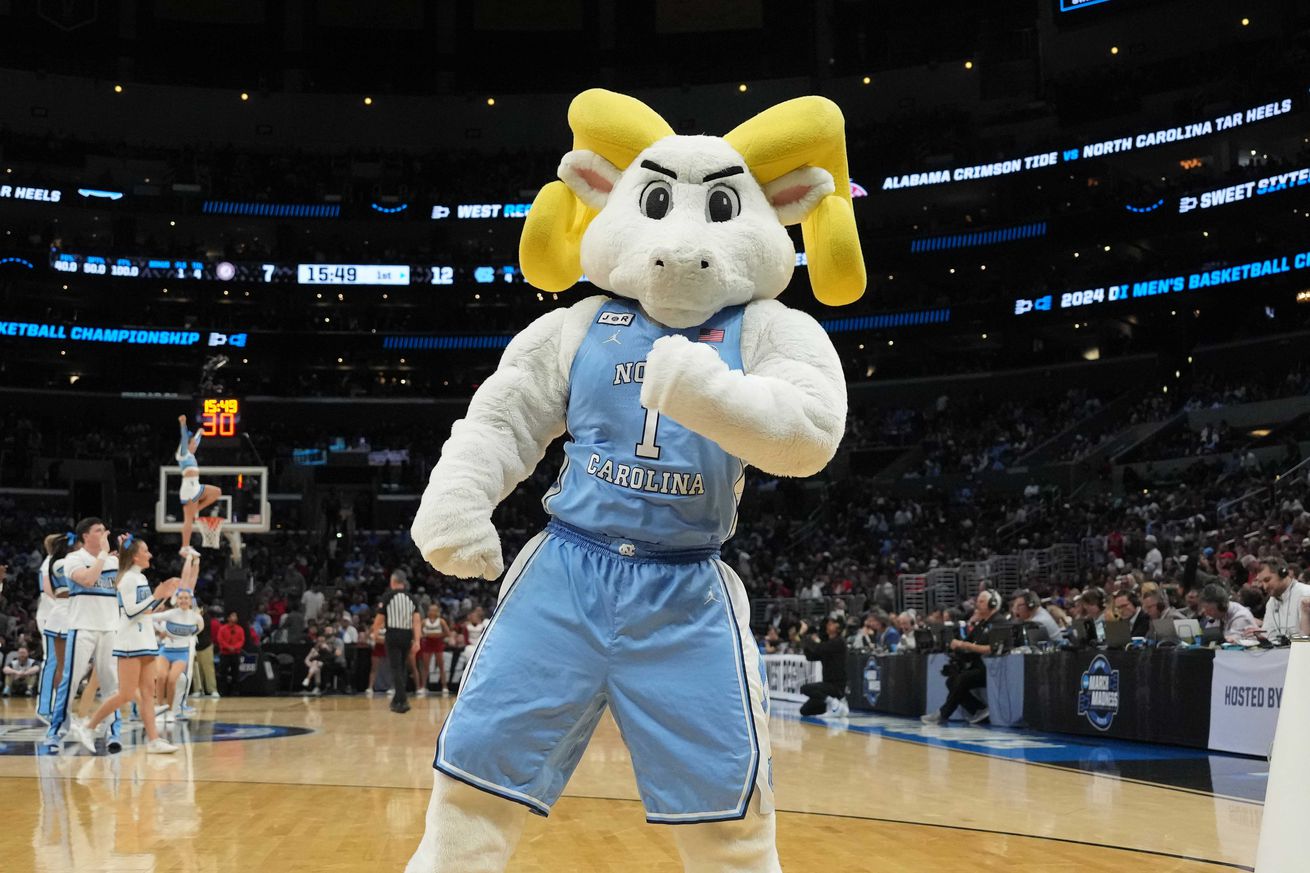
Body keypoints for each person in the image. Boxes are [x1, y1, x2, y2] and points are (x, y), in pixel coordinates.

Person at [69, 535, 184, 755]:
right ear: (135, 556)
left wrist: (162, 597)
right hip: (130, 641)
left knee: (148, 692)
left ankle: (154, 740)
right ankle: (88, 726)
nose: (150, 554)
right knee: (126, 694)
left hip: (145, 639)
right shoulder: (127, 579)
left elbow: (146, 610)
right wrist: (158, 595)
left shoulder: (139, 578)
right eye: (146, 551)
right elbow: (132, 612)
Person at [46, 518, 121, 751]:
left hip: (110, 628)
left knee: (112, 684)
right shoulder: (73, 559)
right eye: (99, 530)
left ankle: (113, 732)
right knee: (71, 681)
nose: (104, 533)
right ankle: (56, 732)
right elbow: (87, 580)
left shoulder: (114, 560)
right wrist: (104, 557)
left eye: (105, 530)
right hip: (82, 627)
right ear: (85, 536)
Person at [922, 589, 1001, 726]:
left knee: (963, 678)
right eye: (977, 601)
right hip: (978, 665)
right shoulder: (981, 624)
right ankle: (979, 709)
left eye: (981, 601)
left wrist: (964, 644)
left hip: (993, 668)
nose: (977, 604)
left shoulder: (999, 622)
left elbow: (991, 648)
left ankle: (943, 713)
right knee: (951, 681)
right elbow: (966, 644)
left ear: (993, 603)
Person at [34, 533, 72, 723]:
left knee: (61, 662)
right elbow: (49, 591)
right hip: (51, 614)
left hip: (60, 614)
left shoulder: (58, 561)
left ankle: (59, 705)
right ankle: (44, 707)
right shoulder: (50, 564)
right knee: (51, 660)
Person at [153, 587, 205, 722]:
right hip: (166, 651)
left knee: (172, 680)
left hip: (182, 653)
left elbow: (200, 627)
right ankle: (159, 709)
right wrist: (161, 632)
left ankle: (170, 712)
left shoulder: (196, 617)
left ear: (190, 600)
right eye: (181, 598)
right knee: (160, 677)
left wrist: (188, 637)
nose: (183, 600)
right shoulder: (171, 614)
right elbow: (150, 617)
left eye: (186, 598)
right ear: (176, 600)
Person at [175, 414, 223, 557]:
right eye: (192, 444)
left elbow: (195, 441)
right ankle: (185, 546)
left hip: (196, 486)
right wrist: (183, 423)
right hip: (189, 488)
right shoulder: (183, 453)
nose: (195, 445)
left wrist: (199, 434)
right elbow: (185, 439)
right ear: (187, 445)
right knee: (188, 519)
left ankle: (197, 510)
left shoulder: (191, 454)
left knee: (216, 492)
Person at [378, 570, 422, 714]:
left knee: (395, 668)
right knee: (402, 667)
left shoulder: (388, 596)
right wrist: (417, 640)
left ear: (394, 582)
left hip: (393, 634)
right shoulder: (412, 598)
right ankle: (396, 700)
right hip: (407, 635)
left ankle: (402, 700)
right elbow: (416, 622)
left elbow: (379, 619)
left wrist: (373, 632)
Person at [799, 616, 849, 716]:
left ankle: (836, 704)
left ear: (838, 627)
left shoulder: (839, 642)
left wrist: (804, 635)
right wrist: (804, 638)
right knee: (805, 710)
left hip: (836, 687)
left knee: (805, 688)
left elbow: (817, 648)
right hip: (827, 686)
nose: (827, 625)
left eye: (831, 623)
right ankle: (832, 705)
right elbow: (811, 657)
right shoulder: (828, 643)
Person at [1250, 559, 1310, 638]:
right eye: (1261, 582)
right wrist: (1256, 635)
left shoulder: (1306, 593)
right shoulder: (1271, 602)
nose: (1265, 587)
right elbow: (1268, 633)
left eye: (1267, 580)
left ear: (1283, 574)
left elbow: (1306, 637)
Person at [420, 604, 450, 695]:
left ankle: (444, 687)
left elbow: (447, 632)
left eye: (434, 610)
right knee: (425, 666)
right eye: (430, 610)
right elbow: (420, 632)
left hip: (438, 643)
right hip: (427, 643)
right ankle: (423, 687)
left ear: (437, 612)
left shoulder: (441, 621)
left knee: (441, 666)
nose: (432, 612)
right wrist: (426, 635)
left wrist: (437, 635)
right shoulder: (424, 621)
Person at [215, 612, 246, 695]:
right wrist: (228, 647)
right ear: (228, 618)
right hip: (225, 654)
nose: (235, 617)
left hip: (235, 654)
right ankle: (223, 691)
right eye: (232, 616)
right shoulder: (222, 629)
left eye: (235, 616)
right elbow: (220, 640)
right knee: (223, 673)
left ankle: (234, 691)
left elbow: (241, 640)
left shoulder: (240, 629)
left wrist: (235, 647)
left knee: (235, 673)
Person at [191, 608, 219, 698]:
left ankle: (212, 690)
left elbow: (199, 629)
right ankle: (198, 690)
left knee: (208, 669)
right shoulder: (191, 616)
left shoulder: (206, 618)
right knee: (196, 670)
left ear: (201, 609)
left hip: (206, 646)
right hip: (195, 647)